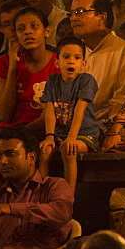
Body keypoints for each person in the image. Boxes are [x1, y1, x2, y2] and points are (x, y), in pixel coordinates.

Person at [0, 6, 58, 190]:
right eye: (21, 29)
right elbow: (4, 114)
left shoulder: (58, 63)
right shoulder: (4, 63)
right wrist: (13, 67)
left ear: (46, 31)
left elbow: (51, 114)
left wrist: (21, 135)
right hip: (12, 128)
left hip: (42, 127)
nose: (28, 32)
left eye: (34, 26)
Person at [68, 0, 125, 127]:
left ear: (102, 17)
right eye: (71, 13)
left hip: (106, 127)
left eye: (80, 11)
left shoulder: (124, 51)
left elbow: (120, 102)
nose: (73, 18)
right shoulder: (71, 51)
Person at [40, 36, 100, 193]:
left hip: (84, 135)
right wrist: (49, 136)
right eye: (66, 57)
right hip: (61, 134)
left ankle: (68, 197)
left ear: (83, 64)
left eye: (77, 57)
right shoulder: (53, 81)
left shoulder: (86, 80)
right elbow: (50, 110)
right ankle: (41, 193)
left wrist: (72, 137)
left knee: (69, 149)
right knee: (45, 150)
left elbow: (79, 110)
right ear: (57, 62)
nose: (71, 61)